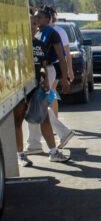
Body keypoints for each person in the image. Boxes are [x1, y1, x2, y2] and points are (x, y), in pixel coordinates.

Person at [16, 9, 70, 166]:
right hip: (22, 87)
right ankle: (21, 155)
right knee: (18, 120)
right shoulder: (18, 45)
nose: (33, 26)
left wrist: (46, 78)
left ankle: (53, 152)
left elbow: (43, 64)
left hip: (38, 87)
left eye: (34, 23)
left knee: (44, 118)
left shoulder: (39, 43)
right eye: (29, 24)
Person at [26, 6, 75, 153]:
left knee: (36, 106)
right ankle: (36, 142)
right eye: (35, 17)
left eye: (39, 17)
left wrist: (65, 79)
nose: (36, 19)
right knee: (35, 106)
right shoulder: (38, 32)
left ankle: (37, 142)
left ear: (48, 19)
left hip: (47, 71)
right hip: (37, 71)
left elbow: (61, 57)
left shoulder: (52, 33)